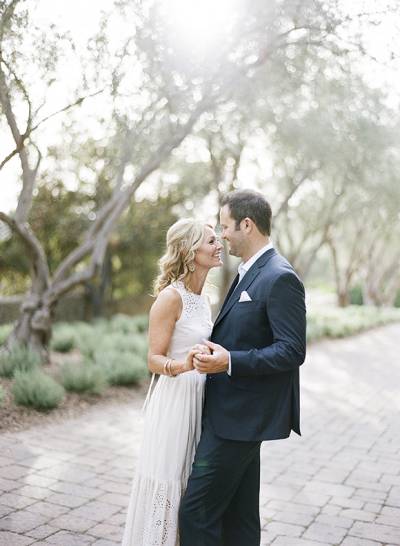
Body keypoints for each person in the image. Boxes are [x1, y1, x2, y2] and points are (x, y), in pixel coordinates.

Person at [179, 189, 307, 546]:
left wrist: (229, 361)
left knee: (196, 512)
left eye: (225, 227)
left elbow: (291, 350)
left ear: (246, 225)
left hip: (241, 419)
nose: (221, 235)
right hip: (234, 415)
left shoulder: (279, 276)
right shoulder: (249, 271)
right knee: (239, 517)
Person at [122, 218, 223, 546]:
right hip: (176, 400)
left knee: (191, 487)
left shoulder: (204, 299)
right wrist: (183, 365)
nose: (218, 245)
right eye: (211, 241)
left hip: (201, 399)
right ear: (191, 251)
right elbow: (153, 358)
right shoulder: (170, 297)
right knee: (170, 481)